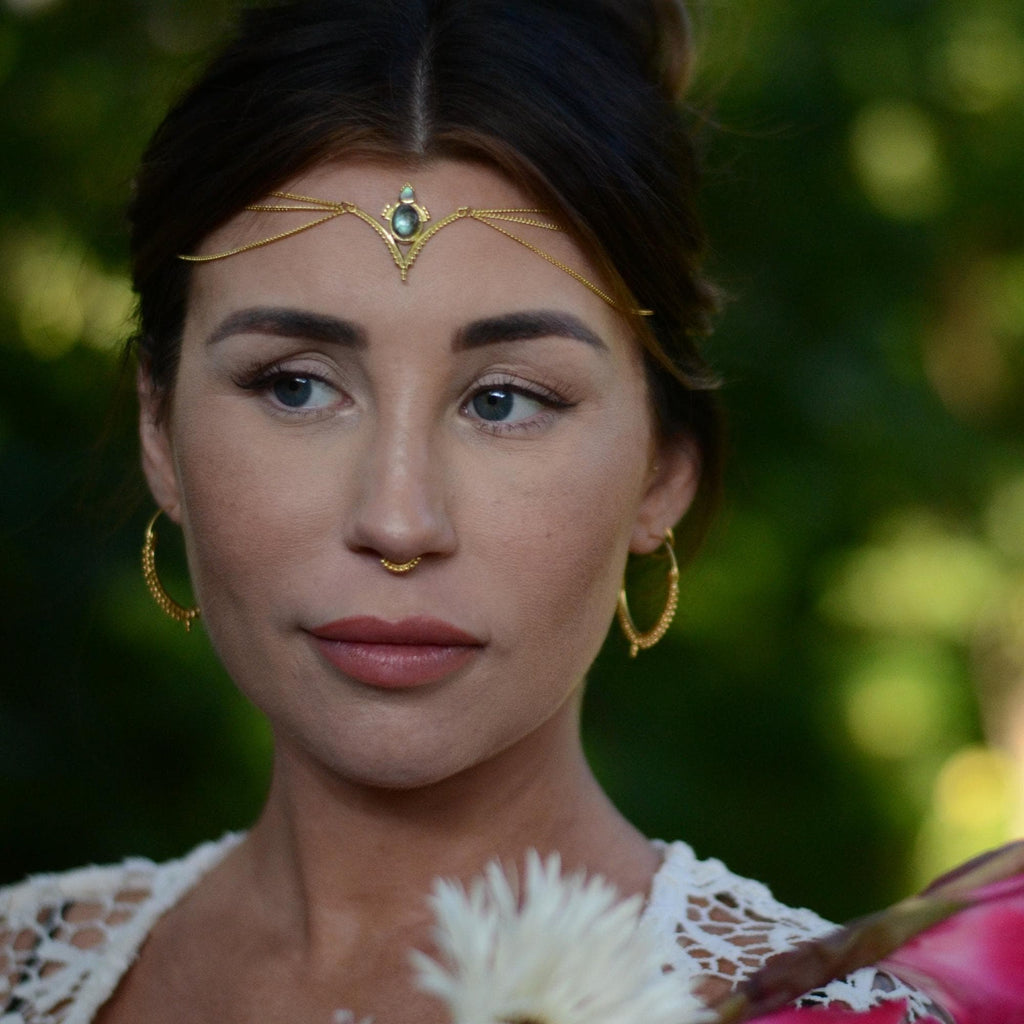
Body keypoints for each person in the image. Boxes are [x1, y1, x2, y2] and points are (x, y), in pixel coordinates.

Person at [0, 2, 940, 1022]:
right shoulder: (19, 969)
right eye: (296, 386)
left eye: (504, 401)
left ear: (664, 467)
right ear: (159, 431)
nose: (398, 520)